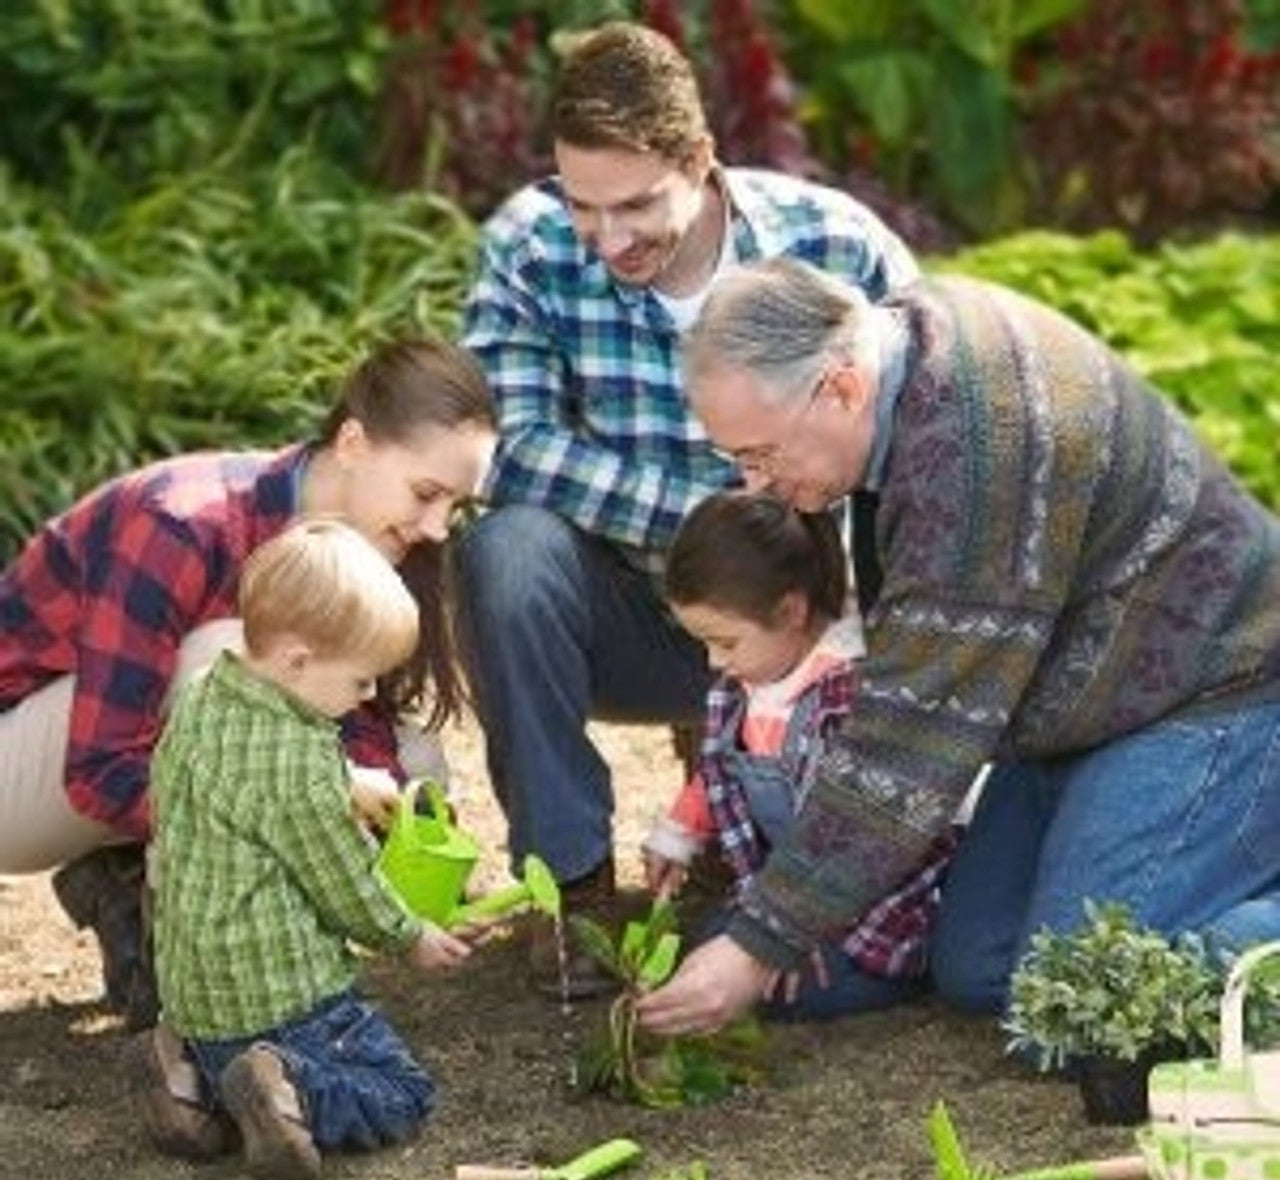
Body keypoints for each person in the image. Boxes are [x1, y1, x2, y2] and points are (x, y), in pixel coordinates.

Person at [636, 256, 1280, 1038]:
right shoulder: (903, 351)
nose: (754, 484)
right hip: (1086, 706)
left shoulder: (975, 449)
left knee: (1077, 1001)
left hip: (1215, 687)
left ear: (839, 387)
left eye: (763, 454)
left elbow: (911, 733)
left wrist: (760, 939)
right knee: (977, 970)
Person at [455, 20, 919, 994]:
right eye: (585, 206)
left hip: (808, 628)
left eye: (634, 206)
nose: (609, 238)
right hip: (628, 614)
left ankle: (762, 855)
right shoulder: (532, 249)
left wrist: (794, 563)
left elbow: (925, 427)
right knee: (504, 550)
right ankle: (568, 885)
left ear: (700, 161)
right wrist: (715, 522)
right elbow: (513, 449)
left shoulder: (831, 244)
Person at [0, 338, 495, 1029]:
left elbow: (356, 733)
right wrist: (304, 803)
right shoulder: (180, 522)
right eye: (427, 494)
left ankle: (130, 886)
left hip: (138, 759)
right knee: (235, 656)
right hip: (22, 765)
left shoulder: (360, 553)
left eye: (457, 507)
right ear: (352, 441)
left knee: (413, 764)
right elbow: (99, 766)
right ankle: (207, 1012)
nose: (438, 528)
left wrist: (413, 882)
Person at [134, 518, 473, 1180]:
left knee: (228, 1057)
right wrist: (409, 936)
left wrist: (346, 778)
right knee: (402, 1091)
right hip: (286, 1007)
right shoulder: (300, 766)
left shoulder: (203, 694)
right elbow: (342, 882)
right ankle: (291, 1086)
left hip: (198, 998)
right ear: (297, 660)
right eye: (360, 682)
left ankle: (185, 1075)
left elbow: (239, 784)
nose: (368, 696)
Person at [643, 491, 951, 1020]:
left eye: (725, 642)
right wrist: (681, 832)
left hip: (873, 900)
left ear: (790, 610)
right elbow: (719, 766)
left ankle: (900, 969)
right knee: (701, 947)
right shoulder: (749, 681)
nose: (715, 661)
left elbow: (861, 838)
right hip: (790, 888)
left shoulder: (849, 695)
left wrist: (788, 934)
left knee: (791, 993)